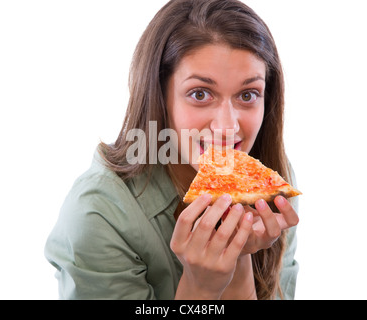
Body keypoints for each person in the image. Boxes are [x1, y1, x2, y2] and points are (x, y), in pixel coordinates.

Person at [45, 0, 300, 300]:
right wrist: (201, 287)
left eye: (248, 94)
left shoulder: (270, 187)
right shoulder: (98, 214)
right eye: (201, 94)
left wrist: (240, 259)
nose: (227, 127)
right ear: (160, 97)